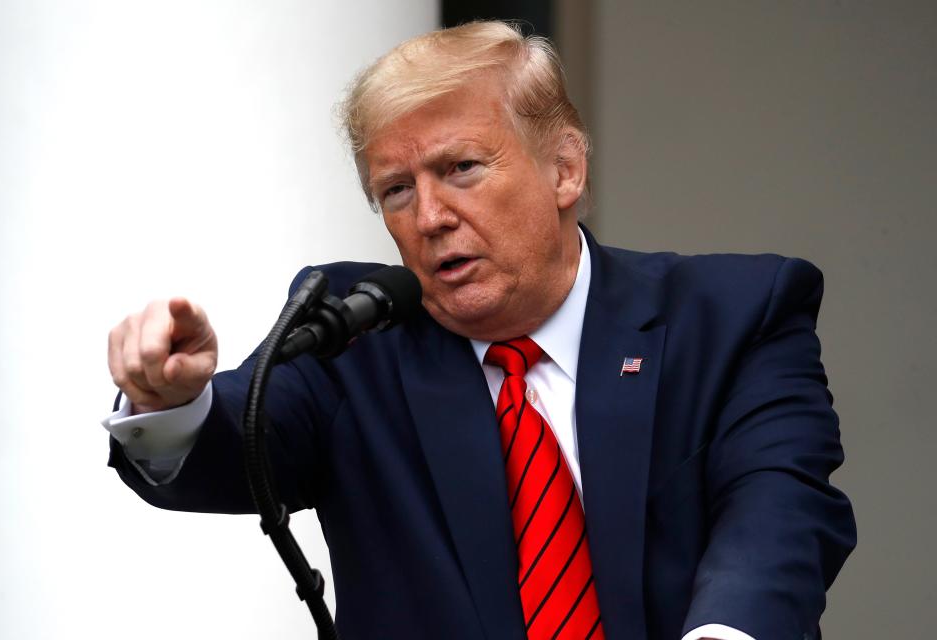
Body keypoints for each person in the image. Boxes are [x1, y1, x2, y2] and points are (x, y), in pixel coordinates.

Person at [104, 21, 855, 640]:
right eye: (396, 191)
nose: (429, 218)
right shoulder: (354, 334)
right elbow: (239, 442)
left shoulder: (730, 315)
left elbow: (780, 513)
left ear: (564, 168)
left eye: (461, 168)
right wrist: (170, 402)